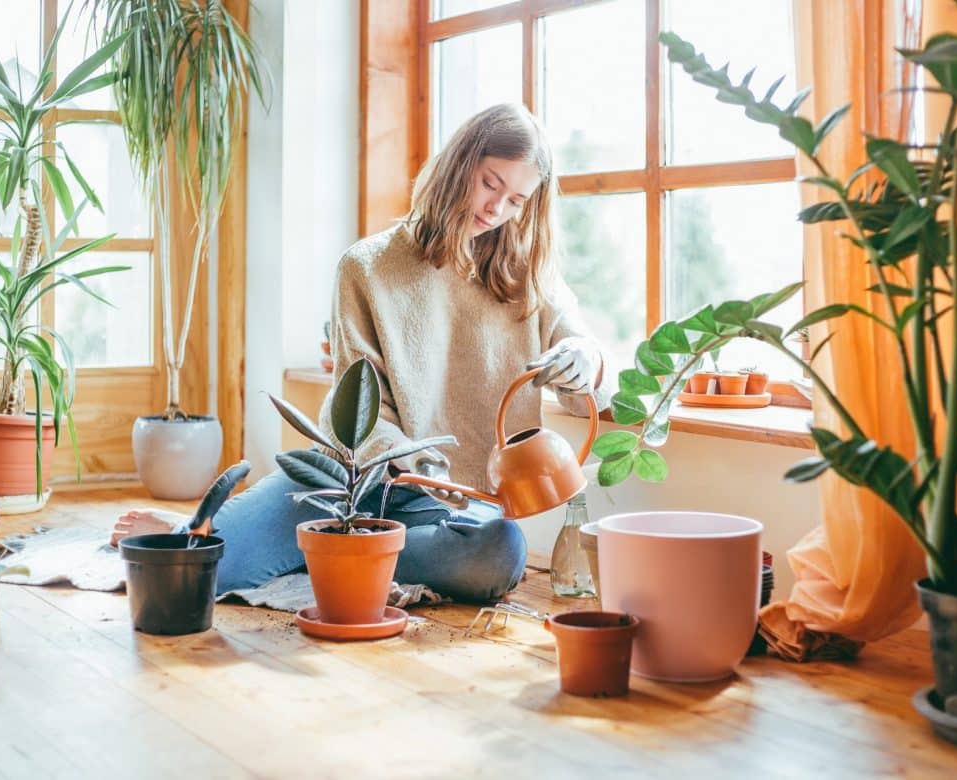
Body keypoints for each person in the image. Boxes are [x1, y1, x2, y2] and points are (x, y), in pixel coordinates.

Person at [112, 103, 612, 602]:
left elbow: (582, 369)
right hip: (351, 483)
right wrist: (410, 462)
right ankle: (295, 540)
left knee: (499, 555)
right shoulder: (367, 266)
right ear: (460, 165)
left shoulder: (532, 277)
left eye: (517, 200)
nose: (496, 209)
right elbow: (360, 409)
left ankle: (335, 552)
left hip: (450, 510)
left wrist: (583, 359)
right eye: (490, 183)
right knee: (196, 568)